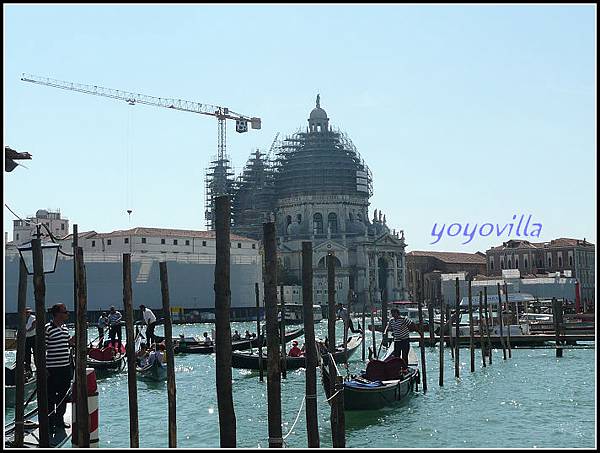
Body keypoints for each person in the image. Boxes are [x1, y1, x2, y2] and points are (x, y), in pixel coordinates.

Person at [46, 303, 75, 431]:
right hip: (52, 369)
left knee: (63, 396)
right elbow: (41, 349)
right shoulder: (47, 328)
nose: (67, 314)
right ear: (57, 314)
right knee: (50, 397)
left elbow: (67, 343)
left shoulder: (65, 328)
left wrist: (74, 339)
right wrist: (43, 369)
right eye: (65, 312)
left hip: (65, 368)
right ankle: (49, 423)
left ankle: (59, 420)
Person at [24, 307, 36, 373]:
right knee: (26, 354)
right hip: (26, 338)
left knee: (36, 354)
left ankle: (38, 368)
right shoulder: (22, 318)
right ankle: (28, 370)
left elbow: (33, 326)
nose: (27, 313)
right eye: (26, 312)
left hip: (33, 337)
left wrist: (26, 331)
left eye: (28, 312)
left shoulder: (33, 318)